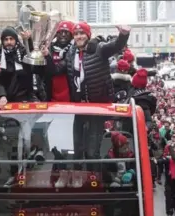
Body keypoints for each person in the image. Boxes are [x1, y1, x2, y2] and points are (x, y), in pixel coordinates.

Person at [43, 22, 131, 166]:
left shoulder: (98, 48)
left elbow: (115, 46)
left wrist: (123, 35)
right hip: (78, 107)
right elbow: (56, 70)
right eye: (76, 34)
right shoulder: (71, 53)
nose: (79, 37)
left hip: (97, 108)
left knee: (92, 151)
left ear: (88, 35)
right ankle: (77, 179)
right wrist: (47, 56)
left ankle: (94, 180)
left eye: (82, 33)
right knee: (77, 149)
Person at [0, 27, 39, 103]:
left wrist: (28, 40)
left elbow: (30, 56)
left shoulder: (22, 52)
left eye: (11, 39)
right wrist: (2, 95)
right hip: (4, 99)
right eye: (6, 39)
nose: (9, 42)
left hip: (24, 98)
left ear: (16, 40)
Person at [45, 21, 74, 102]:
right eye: (60, 32)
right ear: (56, 34)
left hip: (69, 95)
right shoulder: (49, 48)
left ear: (72, 35)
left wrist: (47, 56)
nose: (63, 35)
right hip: (51, 94)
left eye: (66, 32)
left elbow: (56, 70)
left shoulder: (74, 50)